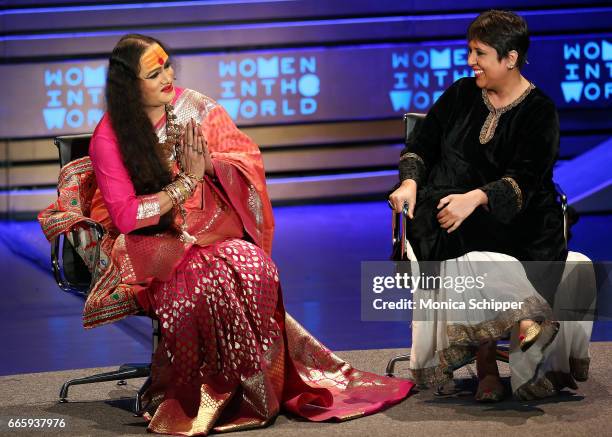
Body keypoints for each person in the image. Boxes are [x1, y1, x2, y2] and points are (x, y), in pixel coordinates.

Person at [39, 34, 412, 435]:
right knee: (200, 285)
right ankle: (201, 394)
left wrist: (209, 166)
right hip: (143, 241)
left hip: (208, 227)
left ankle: (255, 386)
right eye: (154, 72)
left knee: (256, 268)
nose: (168, 76)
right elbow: (128, 217)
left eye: (167, 65)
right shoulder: (110, 138)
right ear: (130, 86)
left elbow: (245, 159)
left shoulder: (195, 108)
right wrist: (186, 182)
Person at [388, 10, 593, 401]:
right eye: (470, 51)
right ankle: (490, 364)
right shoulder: (462, 94)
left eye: (480, 53)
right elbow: (421, 147)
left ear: (510, 58)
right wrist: (411, 182)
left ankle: (527, 359)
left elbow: (528, 179)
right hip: (452, 214)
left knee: (482, 248)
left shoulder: (539, 111)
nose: (470, 61)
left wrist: (478, 197)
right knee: (463, 239)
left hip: (523, 220)